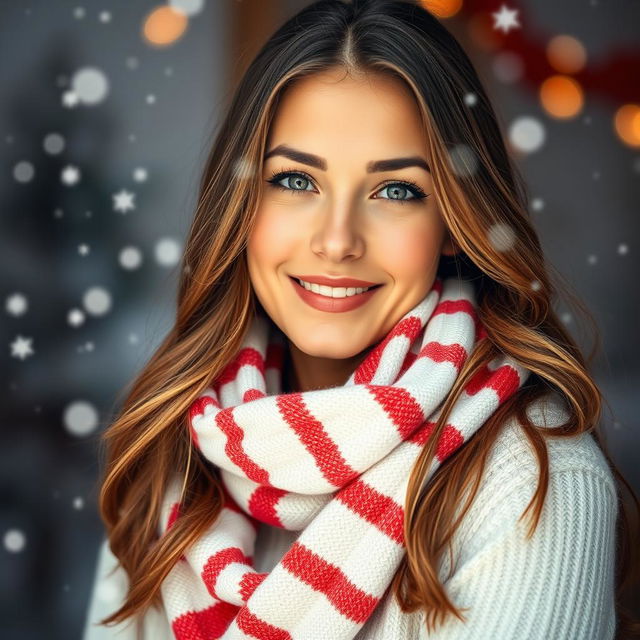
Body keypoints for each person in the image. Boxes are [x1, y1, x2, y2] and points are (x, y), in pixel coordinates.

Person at [83, 1, 640, 639]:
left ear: (455, 224)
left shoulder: (538, 483)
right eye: (295, 180)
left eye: (396, 191)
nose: (337, 240)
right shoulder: (173, 452)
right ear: (241, 207)